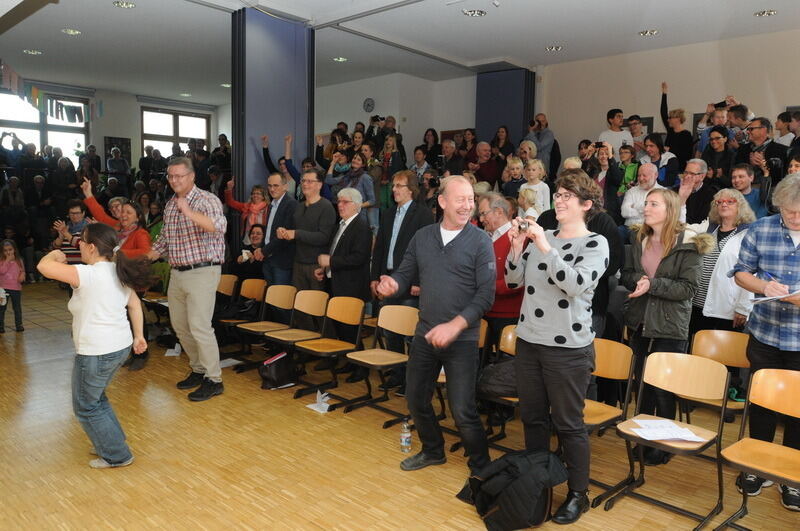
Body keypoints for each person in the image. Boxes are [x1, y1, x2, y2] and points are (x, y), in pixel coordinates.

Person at [505, 169, 609, 524]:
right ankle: (538, 484)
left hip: (567, 349)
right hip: (530, 341)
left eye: (568, 196)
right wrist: (517, 248)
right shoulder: (542, 236)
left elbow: (574, 285)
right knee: (533, 417)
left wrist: (545, 247)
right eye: (559, 194)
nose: (560, 200)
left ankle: (580, 493)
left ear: (586, 205)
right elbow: (513, 279)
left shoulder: (595, 243)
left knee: (568, 424)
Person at [376, 175, 494, 490]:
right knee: (415, 399)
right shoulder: (423, 236)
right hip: (426, 333)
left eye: (471, 199)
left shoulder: (480, 241)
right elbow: (404, 272)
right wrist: (393, 283)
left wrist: (455, 325)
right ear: (442, 201)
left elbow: (485, 297)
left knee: (463, 409)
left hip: (462, 339)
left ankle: (482, 467)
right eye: (461, 199)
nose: (468, 205)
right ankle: (432, 450)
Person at [36, 223, 151, 468]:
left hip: (97, 352)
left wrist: (54, 254)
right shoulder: (117, 272)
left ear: (91, 247)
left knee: (85, 405)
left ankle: (117, 454)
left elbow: (43, 267)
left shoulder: (87, 274)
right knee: (96, 398)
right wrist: (139, 336)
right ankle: (110, 441)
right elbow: (134, 304)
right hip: (118, 348)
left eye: (82, 241)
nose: (78, 244)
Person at [621, 188, 712, 465]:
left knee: (662, 389)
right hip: (640, 321)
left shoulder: (690, 244)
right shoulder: (639, 238)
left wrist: (652, 284)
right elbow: (626, 274)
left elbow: (688, 289)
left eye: (653, 204)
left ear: (669, 210)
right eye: (646, 203)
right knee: (643, 386)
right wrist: (637, 279)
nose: (646, 208)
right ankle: (643, 439)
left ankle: (662, 444)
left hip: (670, 326)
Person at [731, 174, 800, 510]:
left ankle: (791, 476)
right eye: (789, 212)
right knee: (761, 402)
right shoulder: (762, 228)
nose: (795, 218)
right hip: (765, 333)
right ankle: (758, 466)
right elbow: (741, 271)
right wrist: (762, 287)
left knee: (798, 410)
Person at [148, 157, 228, 402]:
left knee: (200, 326)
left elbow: (218, 226)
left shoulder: (207, 200)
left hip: (203, 270)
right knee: (181, 326)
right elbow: (163, 242)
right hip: (178, 273)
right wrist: (143, 258)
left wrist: (189, 211)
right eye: (171, 176)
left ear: (192, 176)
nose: (174, 180)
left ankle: (214, 379)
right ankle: (198, 369)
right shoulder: (171, 204)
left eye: (179, 176)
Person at [370, 170, 434, 392]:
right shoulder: (388, 214)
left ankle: (412, 380)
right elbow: (379, 248)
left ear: (411, 189)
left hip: (410, 283)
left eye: (399, 186)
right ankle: (397, 373)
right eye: (394, 185)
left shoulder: (423, 214)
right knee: (391, 331)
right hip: (388, 279)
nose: (394, 189)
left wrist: (418, 280)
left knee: (409, 334)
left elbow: (426, 251)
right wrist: (374, 278)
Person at [314, 188, 373, 381]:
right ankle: (350, 361)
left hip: (352, 286)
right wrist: (324, 269)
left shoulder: (361, 226)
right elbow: (335, 252)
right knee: (340, 327)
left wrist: (330, 262)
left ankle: (361, 367)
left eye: (345, 202)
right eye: (339, 201)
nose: (340, 205)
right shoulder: (341, 225)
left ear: (356, 205)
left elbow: (358, 258)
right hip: (336, 282)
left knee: (351, 329)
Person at [687, 188, 755, 337]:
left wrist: (744, 308)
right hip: (697, 303)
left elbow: (751, 272)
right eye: (720, 202)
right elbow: (680, 229)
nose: (724, 204)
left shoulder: (748, 234)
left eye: (730, 201)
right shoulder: (709, 229)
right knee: (695, 352)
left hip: (726, 308)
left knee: (721, 356)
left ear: (740, 206)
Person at [278, 168, 336, 297]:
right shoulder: (299, 206)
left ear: (320, 185)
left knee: (315, 307)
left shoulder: (326, 207)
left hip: (316, 266)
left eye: (310, 181)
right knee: (298, 307)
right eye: (303, 181)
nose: (305, 184)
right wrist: (285, 233)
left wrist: (296, 233)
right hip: (298, 262)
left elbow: (324, 237)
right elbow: (294, 232)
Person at [478, 192, 523, 349]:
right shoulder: (486, 238)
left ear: (498, 211)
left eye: (484, 214)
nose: (481, 219)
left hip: (507, 317)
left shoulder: (519, 237)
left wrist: (484, 286)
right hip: (486, 312)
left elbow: (519, 282)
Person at [81, 178, 151, 258]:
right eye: (122, 212)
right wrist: (88, 193)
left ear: (138, 218)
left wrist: (117, 252)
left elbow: (146, 252)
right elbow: (101, 216)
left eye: (128, 212)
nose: (123, 215)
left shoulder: (141, 233)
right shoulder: (117, 226)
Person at [735, 117, 788, 189]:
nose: (747, 132)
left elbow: (781, 177)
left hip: (770, 190)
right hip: (745, 189)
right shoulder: (743, 149)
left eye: (751, 129)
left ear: (763, 130)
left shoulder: (781, 150)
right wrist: (750, 166)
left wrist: (763, 164)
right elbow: (735, 170)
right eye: (748, 129)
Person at [659, 82, 693, 170]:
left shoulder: (686, 135)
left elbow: (687, 155)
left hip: (679, 168)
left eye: (670, 118)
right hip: (667, 166)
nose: (668, 119)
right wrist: (664, 94)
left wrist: (669, 151)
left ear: (677, 119)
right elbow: (663, 113)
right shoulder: (671, 130)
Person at [224, 180, 269, 245]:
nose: (255, 195)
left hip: (263, 240)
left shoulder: (268, 208)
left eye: (258, 193)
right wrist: (229, 188)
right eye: (253, 193)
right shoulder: (247, 207)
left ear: (263, 196)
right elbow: (230, 202)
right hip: (249, 239)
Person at [680, 159, 721, 224]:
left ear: (702, 176)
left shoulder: (710, 195)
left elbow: (701, 222)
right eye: (686, 172)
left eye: (692, 173)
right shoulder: (675, 191)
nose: (687, 176)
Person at [0, 239, 25, 333]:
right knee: (2, 308)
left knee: (17, 308)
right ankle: (1, 326)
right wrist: (7, 260)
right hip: (2, 289)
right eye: (5, 250)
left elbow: (22, 270)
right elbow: (2, 271)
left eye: (10, 249)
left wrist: (22, 275)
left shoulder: (19, 260)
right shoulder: (2, 261)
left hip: (16, 288)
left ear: (14, 249)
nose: (8, 252)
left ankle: (19, 325)